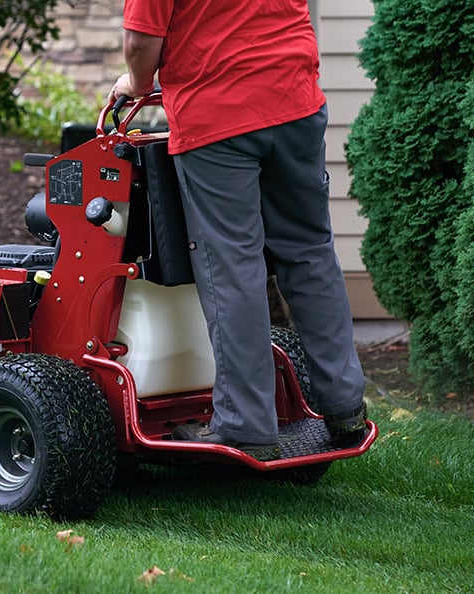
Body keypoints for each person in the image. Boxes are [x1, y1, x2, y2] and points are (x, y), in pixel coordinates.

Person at [110, 0, 367, 461]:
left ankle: (244, 424)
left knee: (232, 265)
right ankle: (345, 407)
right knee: (309, 252)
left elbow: (140, 41)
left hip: (219, 117)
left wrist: (137, 84)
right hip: (295, 102)